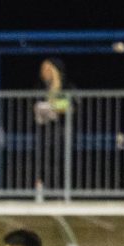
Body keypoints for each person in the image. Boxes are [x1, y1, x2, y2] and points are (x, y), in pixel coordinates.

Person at [34, 58, 73, 192]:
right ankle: (43, 191)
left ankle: (62, 192)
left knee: (61, 162)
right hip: (45, 131)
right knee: (44, 162)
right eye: (43, 69)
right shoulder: (40, 87)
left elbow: (71, 105)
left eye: (49, 69)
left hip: (61, 132)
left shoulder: (66, 86)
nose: (46, 72)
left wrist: (55, 105)